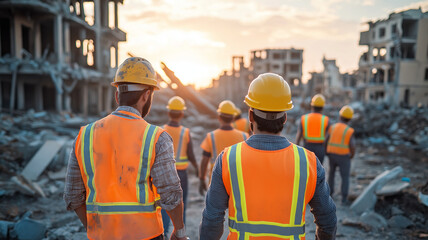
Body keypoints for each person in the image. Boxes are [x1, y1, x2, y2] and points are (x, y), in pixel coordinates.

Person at [200, 73, 337, 240]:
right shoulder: (309, 162)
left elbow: (212, 221)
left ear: (250, 116)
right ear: (285, 117)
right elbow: (328, 221)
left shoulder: (228, 159)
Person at [63, 57, 187, 240]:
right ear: (146, 95)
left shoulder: (85, 135)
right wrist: (179, 232)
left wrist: (95, 229)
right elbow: (171, 194)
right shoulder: (156, 137)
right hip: (147, 236)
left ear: (117, 95)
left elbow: (73, 196)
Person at [161, 96, 199, 235]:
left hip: (165, 174)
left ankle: (164, 233)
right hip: (181, 174)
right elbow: (191, 154)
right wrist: (197, 168)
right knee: (181, 205)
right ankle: (180, 234)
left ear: (168, 112)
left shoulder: (161, 130)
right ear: (182, 114)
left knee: (164, 204)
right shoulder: (185, 132)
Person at [199, 100, 249, 196]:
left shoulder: (211, 136)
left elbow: (204, 160)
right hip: (237, 181)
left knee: (215, 210)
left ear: (219, 117)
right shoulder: (244, 136)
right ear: (233, 117)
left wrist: (201, 179)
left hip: (216, 181)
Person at [325, 105, 356, 204]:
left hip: (332, 154)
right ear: (350, 119)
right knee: (345, 177)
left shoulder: (332, 127)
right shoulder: (349, 130)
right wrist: (352, 155)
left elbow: (326, 140)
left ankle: (330, 194)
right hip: (343, 156)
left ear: (340, 116)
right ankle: (344, 198)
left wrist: (326, 151)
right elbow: (352, 146)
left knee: (331, 174)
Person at [295, 94, 330, 164]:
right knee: (318, 171)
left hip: (307, 148)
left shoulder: (304, 118)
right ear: (322, 107)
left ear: (312, 106)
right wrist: (325, 149)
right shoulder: (326, 120)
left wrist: (296, 151)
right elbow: (328, 137)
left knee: (307, 170)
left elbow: (298, 136)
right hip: (320, 148)